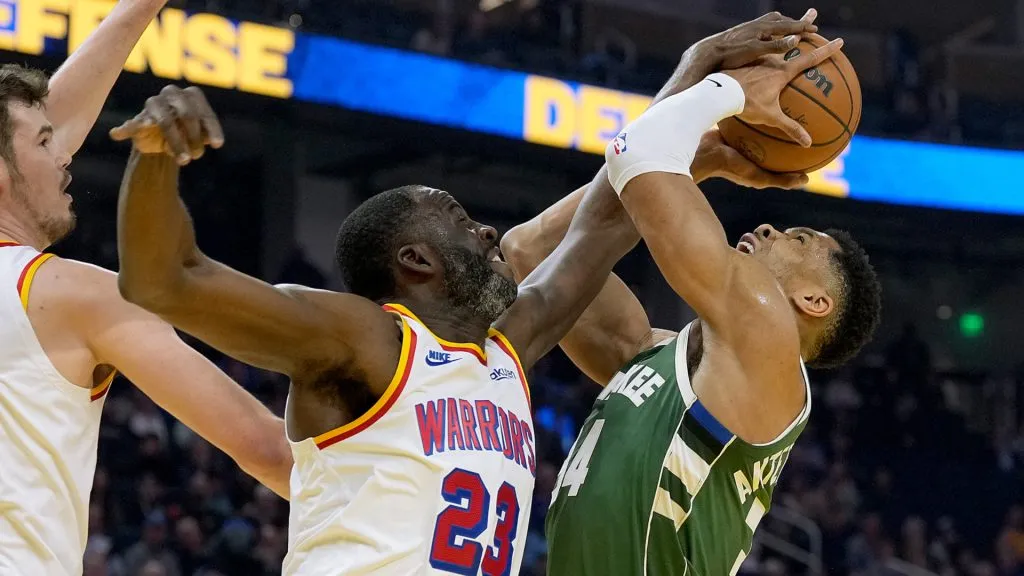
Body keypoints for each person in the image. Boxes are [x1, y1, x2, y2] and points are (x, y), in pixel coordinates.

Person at [110, 11, 819, 575]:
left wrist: (691, 86)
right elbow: (163, 280)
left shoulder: (506, 350)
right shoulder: (365, 340)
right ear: (416, 260)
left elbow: (605, 220)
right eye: (458, 218)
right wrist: (153, 160)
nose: (486, 230)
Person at [502, 15, 883, 576]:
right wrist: (701, 159)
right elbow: (533, 252)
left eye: (801, 240)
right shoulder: (656, 358)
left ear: (813, 303)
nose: (774, 230)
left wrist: (716, 79)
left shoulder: (768, 340)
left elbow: (641, 150)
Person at [0, 2, 292, 574]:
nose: (65, 157)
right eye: (44, 144)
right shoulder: (73, 294)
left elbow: (24, 136)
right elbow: (270, 452)